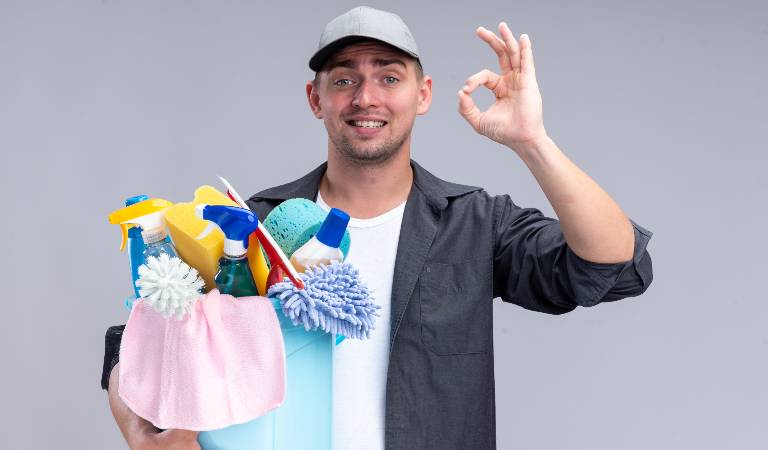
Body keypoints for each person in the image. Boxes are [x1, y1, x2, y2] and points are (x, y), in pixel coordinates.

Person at [102, 6, 653, 450]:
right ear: (316, 99)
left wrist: (532, 140)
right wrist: (142, 435)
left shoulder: (475, 222)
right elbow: (136, 341)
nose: (366, 98)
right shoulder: (252, 225)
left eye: (389, 77)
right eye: (345, 79)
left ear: (423, 94)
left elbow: (610, 262)